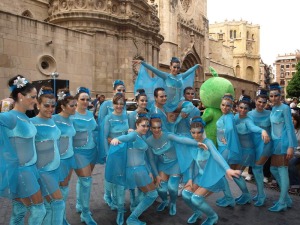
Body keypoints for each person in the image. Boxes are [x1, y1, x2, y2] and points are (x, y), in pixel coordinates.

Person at [0, 75, 46, 225]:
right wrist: (3, 106)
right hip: (21, 172)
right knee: (39, 210)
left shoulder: (25, 116)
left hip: (31, 169)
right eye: (32, 97)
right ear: (20, 96)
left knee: (19, 212)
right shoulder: (10, 117)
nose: (35, 100)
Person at [181, 117, 241, 225]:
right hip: (200, 177)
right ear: (190, 132)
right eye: (193, 133)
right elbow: (191, 163)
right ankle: (197, 212)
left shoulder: (208, 142)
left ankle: (213, 217)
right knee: (185, 194)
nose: (196, 135)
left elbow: (216, 155)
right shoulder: (192, 144)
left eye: (199, 132)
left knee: (196, 199)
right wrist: (190, 179)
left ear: (203, 131)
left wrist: (227, 169)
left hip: (212, 177)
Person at [146, 115, 206, 216]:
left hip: (175, 164)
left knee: (173, 188)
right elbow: (151, 159)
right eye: (154, 128)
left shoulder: (168, 135)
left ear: (161, 127)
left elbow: (181, 140)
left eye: (159, 127)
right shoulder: (149, 141)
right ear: (150, 128)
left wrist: (196, 144)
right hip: (162, 165)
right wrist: (156, 175)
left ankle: (173, 203)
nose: (157, 130)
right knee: (161, 188)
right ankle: (165, 201)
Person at [106, 117, 158, 225]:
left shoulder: (140, 137)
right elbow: (127, 137)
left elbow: (143, 157)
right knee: (152, 194)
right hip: (136, 171)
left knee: (149, 193)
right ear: (137, 125)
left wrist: (149, 171)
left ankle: (133, 212)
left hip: (141, 169)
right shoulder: (134, 135)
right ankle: (132, 218)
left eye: (147, 126)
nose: (146, 128)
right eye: (143, 125)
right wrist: (117, 139)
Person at [30, 86, 65, 224]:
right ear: (38, 105)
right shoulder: (32, 123)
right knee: (58, 203)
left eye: (53, 106)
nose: (50, 109)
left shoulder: (53, 120)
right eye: (46, 105)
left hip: (55, 169)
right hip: (42, 171)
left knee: (49, 206)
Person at [233, 95, 270, 205]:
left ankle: (255, 195)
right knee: (251, 171)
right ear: (237, 107)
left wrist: (262, 131)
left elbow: (253, 128)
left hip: (249, 151)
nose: (243, 110)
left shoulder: (248, 119)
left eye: (245, 108)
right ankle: (250, 195)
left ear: (248, 110)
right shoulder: (235, 117)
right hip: (241, 151)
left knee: (238, 173)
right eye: (241, 107)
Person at [268, 82, 297, 212]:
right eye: (271, 96)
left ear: (280, 95)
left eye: (276, 95)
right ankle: (287, 199)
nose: (273, 98)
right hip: (275, 144)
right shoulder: (273, 108)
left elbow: (290, 128)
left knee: (282, 170)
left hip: (283, 144)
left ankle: (282, 202)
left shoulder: (285, 108)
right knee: (274, 170)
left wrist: (291, 146)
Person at [100, 93, 129, 225]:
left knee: (122, 177)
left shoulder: (126, 116)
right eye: (117, 103)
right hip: (113, 152)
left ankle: (119, 203)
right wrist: (107, 154)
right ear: (113, 104)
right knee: (113, 177)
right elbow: (105, 136)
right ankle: (113, 200)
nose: (119, 106)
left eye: (121, 103)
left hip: (126, 151)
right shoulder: (108, 118)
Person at [71, 87, 98, 224]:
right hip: (78, 152)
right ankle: (85, 214)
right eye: (82, 99)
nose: (85, 102)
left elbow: (95, 129)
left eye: (88, 99)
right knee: (87, 180)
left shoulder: (90, 113)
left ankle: (80, 204)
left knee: (83, 180)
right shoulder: (71, 115)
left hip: (92, 151)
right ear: (76, 100)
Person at [134, 57, 200, 112]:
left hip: (179, 103)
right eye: (174, 67)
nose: (176, 69)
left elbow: (189, 71)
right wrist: (143, 63)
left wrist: (196, 66)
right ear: (170, 67)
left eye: (178, 67)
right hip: (167, 105)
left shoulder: (181, 76)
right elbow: (154, 70)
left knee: (189, 106)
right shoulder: (166, 76)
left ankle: (176, 122)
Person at [53, 88, 77, 224]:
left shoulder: (71, 119)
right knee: (57, 190)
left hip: (70, 157)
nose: (74, 108)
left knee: (65, 187)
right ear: (62, 106)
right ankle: (57, 219)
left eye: (75, 105)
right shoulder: (54, 119)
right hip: (58, 160)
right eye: (72, 105)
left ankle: (62, 217)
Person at [247, 89, 273, 206]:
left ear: (266, 103)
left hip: (267, 145)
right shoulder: (249, 114)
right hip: (254, 146)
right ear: (255, 101)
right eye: (259, 101)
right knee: (256, 168)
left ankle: (261, 194)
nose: (261, 104)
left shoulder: (269, 114)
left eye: (264, 102)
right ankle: (260, 192)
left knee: (257, 168)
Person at [215, 93, 241, 208]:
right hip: (222, 147)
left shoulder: (229, 116)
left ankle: (229, 198)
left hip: (225, 148)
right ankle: (228, 196)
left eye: (228, 106)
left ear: (231, 107)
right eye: (223, 105)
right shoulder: (225, 116)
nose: (225, 107)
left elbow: (230, 129)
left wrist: (227, 142)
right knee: (222, 172)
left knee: (220, 172)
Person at [288, 113, 300, 194]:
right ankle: (277, 181)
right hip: (288, 151)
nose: (292, 121)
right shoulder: (287, 130)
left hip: (298, 153)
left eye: (294, 120)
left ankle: (295, 185)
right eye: (290, 119)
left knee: (291, 162)